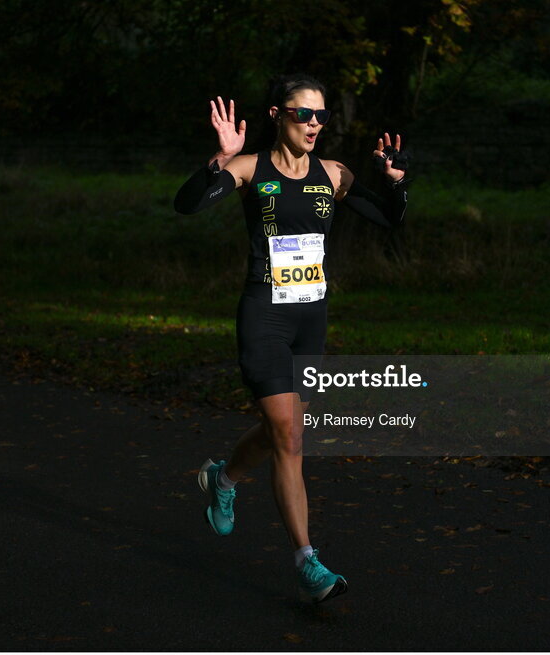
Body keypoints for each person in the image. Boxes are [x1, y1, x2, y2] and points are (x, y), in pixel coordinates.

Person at [173, 73, 409, 604]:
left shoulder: (334, 174)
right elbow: (186, 204)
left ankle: (223, 480)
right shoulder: (250, 168)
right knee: (290, 435)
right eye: (305, 114)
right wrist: (219, 157)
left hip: (311, 320)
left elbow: (389, 217)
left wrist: (395, 181)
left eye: (322, 116)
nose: (315, 125)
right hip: (265, 318)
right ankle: (308, 561)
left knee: (283, 430)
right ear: (278, 114)